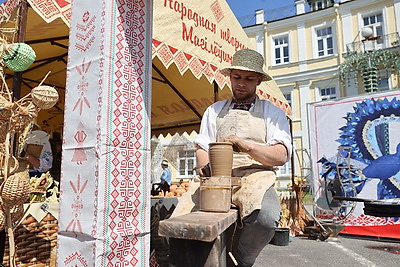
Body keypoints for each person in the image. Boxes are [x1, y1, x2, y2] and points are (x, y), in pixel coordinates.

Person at [194, 49, 292, 267]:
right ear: (229, 77)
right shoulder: (214, 110)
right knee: (183, 220)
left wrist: (248, 147)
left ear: (258, 80)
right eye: (236, 77)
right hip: (217, 177)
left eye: (248, 79)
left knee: (265, 219)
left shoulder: (272, 112)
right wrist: (205, 168)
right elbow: (202, 146)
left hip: (256, 176)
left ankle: (242, 260)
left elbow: (281, 155)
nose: (241, 83)